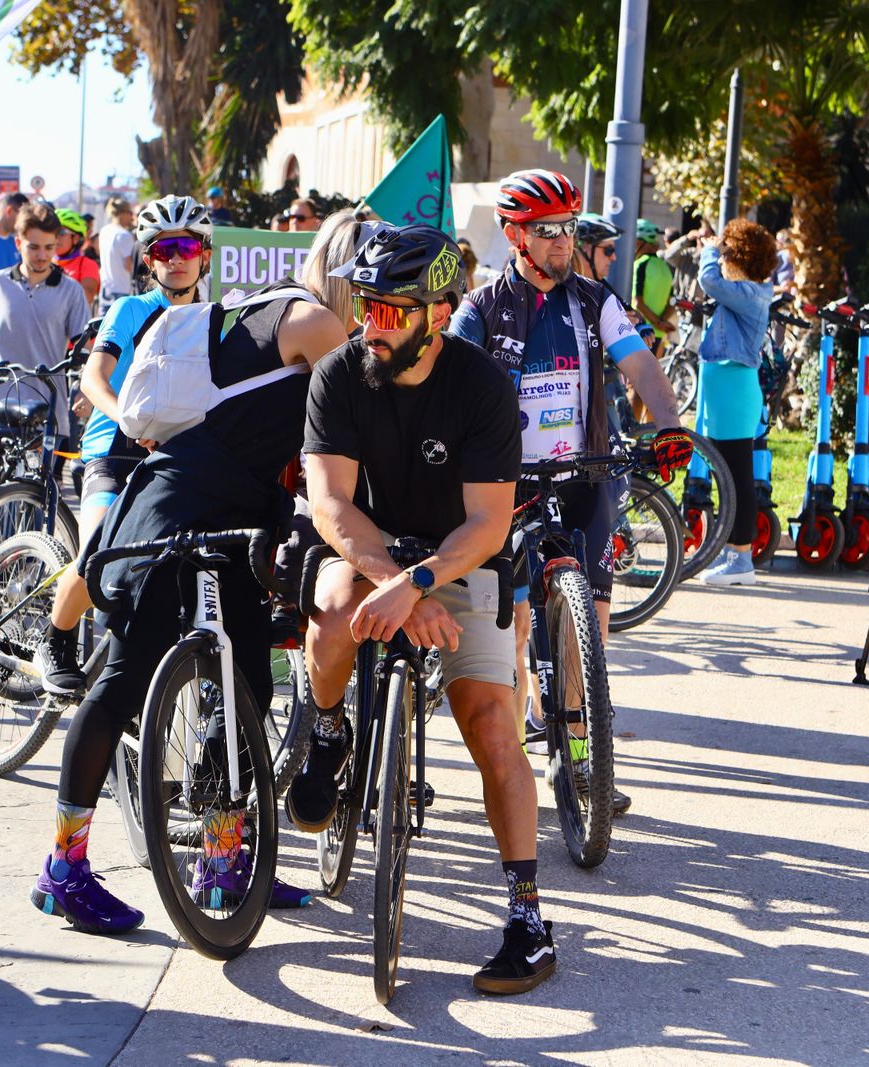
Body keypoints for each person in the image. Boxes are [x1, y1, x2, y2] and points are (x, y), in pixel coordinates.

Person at [30, 208, 346, 935]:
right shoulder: (310, 325)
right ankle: (63, 870)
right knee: (121, 683)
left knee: (247, 685)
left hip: (242, 517)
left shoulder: (287, 327)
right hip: (176, 502)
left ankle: (222, 859)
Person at [290, 223, 556, 994]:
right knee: (333, 611)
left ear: (439, 313)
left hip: (459, 556)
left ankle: (529, 917)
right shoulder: (339, 374)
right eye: (363, 305)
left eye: (388, 310)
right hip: (368, 552)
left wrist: (421, 582)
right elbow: (331, 504)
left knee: (492, 723)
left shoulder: (480, 385)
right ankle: (330, 729)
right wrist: (395, 584)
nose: (368, 323)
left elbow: (488, 524)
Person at [447, 171, 692, 806]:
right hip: (509, 483)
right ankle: (522, 746)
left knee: (591, 630)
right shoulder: (482, 307)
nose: (562, 241)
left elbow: (641, 364)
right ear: (514, 235)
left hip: (587, 475)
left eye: (568, 228)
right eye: (546, 230)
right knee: (516, 629)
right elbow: (449, 382)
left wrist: (670, 424)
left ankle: (584, 757)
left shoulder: (594, 300)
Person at [33, 194, 215, 691]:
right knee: (100, 550)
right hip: (114, 451)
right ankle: (56, 637)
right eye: (162, 250)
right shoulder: (131, 309)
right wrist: (130, 422)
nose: (175, 259)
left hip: (175, 458)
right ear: (148, 260)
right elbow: (93, 380)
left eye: (185, 247)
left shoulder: (214, 319)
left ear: (204, 254)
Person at [693, 219, 780, 587]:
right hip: (727, 393)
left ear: (741, 257)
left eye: (729, 254)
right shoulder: (747, 292)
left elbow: (709, 281)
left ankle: (741, 558)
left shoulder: (750, 293)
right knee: (728, 476)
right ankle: (734, 553)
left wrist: (712, 250)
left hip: (734, 394)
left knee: (737, 478)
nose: (722, 259)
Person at [0, 202, 91, 444]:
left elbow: (85, 349)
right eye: (33, 247)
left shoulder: (71, 290)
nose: (42, 256)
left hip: (49, 411)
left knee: (44, 470)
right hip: (1, 406)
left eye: (49, 247)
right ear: (18, 243)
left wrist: (86, 389)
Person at [96, 197, 140, 310]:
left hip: (105, 289)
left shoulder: (104, 231)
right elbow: (129, 266)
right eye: (130, 213)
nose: (132, 217)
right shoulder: (124, 235)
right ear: (123, 213)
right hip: (122, 289)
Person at [54, 209, 101, 308]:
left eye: (61, 232)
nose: (55, 237)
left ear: (75, 238)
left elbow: (86, 298)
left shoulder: (87, 264)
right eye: (53, 232)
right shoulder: (46, 261)